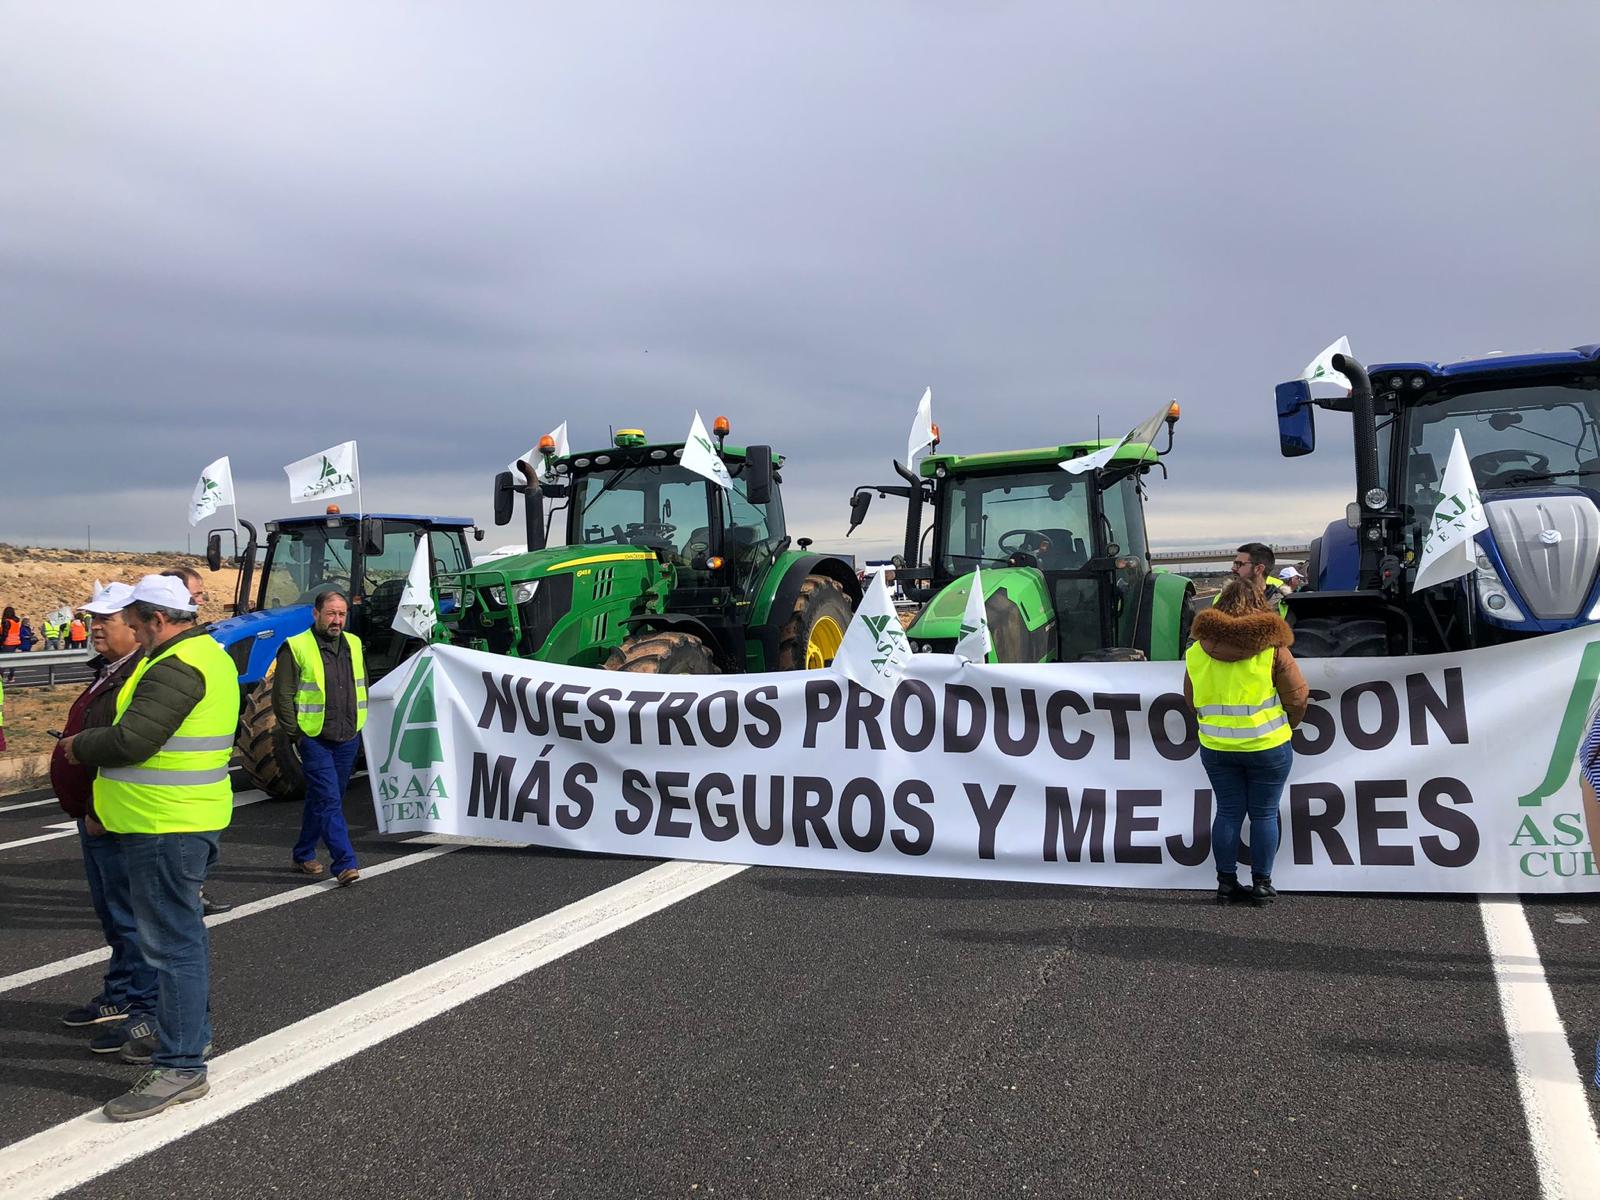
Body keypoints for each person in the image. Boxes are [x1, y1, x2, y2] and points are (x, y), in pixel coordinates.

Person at [62, 574, 240, 1120]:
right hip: (167, 823)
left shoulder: (178, 665)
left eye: (136, 625)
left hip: (167, 828)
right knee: (174, 941)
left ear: (159, 621)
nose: (132, 634)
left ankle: (182, 1064)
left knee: (171, 946)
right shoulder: (189, 656)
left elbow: (133, 739)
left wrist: (75, 747)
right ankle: (183, 1039)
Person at [50, 583, 159, 1053]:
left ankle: (142, 1010)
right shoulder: (110, 671)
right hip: (94, 814)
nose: (95, 627)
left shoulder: (136, 675)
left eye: (106, 620)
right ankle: (120, 994)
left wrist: (96, 808)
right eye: (92, 619)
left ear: (133, 629)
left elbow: (123, 746)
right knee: (114, 917)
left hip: (113, 816)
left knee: (131, 919)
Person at [1185, 575, 1308, 905]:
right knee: (1264, 814)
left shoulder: (1196, 652)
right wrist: (1286, 726)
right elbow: (1297, 697)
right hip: (1268, 745)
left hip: (1216, 747)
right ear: (1259, 606)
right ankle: (1262, 884)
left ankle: (1226, 883)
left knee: (1227, 812)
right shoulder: (1272, 649)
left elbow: (1191, 698)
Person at [275, 590, 366, 885]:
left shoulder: (354, 644)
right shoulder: (296, 646)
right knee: (329, 801)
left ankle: (302, 853)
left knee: (325, 797)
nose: (337, 620)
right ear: (316, 614)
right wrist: (296, 734)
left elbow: (362, 684)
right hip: (315, 737)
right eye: (331, 614)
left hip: (348, 736)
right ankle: (344, 863)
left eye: (342, 614)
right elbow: (282, 695)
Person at [163, 567, 233, 916]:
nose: (203, 601)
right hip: (174, 791)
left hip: (202, 787)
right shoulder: (170, 658)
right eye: (197, 595)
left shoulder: (201, 646)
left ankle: (192, 894)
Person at [1218, 542, 1289, 618]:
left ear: (1258, 569)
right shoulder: (1221, 598)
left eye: (1239, 564)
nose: (1233, 568)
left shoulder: (1284, 604)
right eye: (1234, 564)